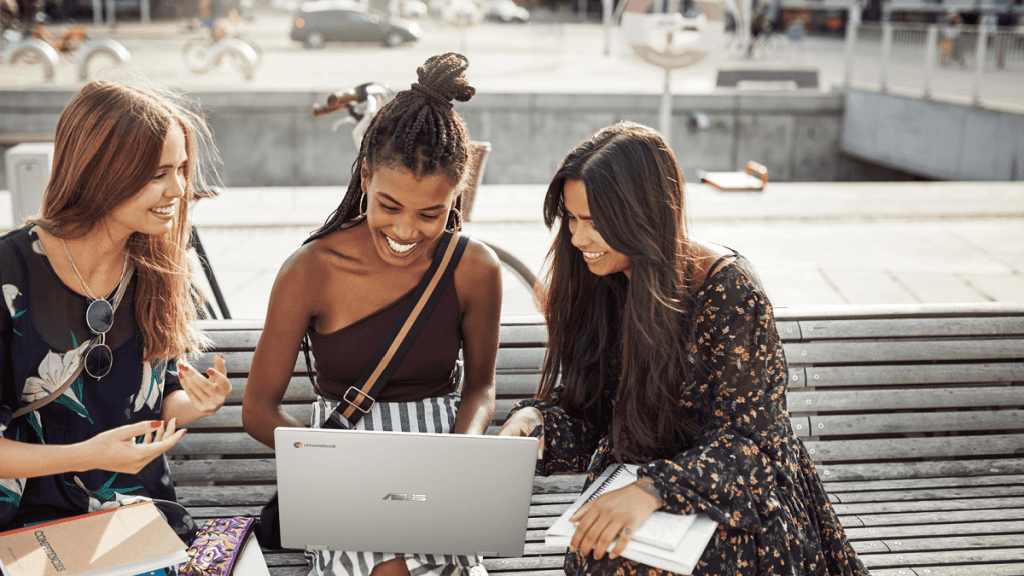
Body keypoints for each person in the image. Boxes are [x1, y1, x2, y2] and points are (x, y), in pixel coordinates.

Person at [499, 121, 869, 576]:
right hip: (633, 486)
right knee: (603, 553)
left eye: (596, 223)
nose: (577, 240)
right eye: (572, 219)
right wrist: (539, 426)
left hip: (738, 498)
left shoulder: (730, 292)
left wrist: (653, 491)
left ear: (644, 214)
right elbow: (595, 415)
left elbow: (751, 445)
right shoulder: (598, 282)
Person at [242, 52, 502, 576]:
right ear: (364, 177)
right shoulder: (311, 269)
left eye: (431, 213)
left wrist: (464, 451)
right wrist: (331, 459)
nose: (406, 230)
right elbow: (258, 409)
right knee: (389, 566)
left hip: (438, 455)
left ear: (459, 192)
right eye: (389, 206)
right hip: (342, 461)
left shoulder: (475, 268)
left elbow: (480, 388)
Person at [0, 81, 232, 541]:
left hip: (140, 520)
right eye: (158, 174)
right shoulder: (10, 272)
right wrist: (90, 455)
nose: (179, 189)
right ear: (100, 171)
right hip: (28, 527)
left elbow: (154, 399)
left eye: (182, 169)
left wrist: (195, 404)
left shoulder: (163, 269)